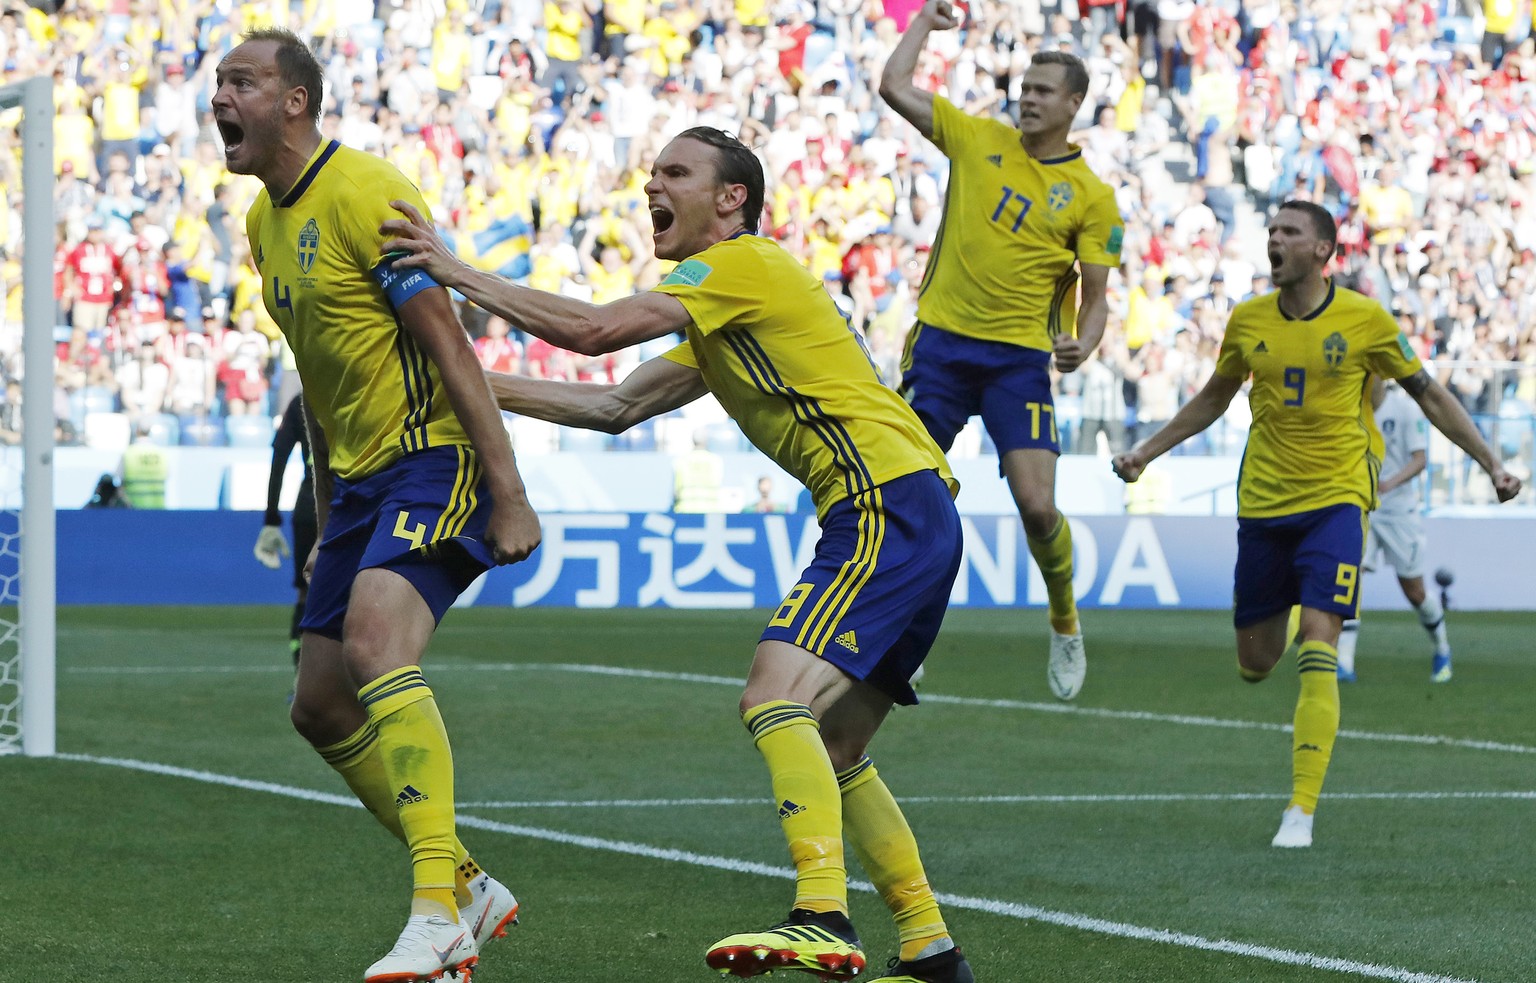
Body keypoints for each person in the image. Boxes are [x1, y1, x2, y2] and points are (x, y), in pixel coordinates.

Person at [382, 125, 975, 983]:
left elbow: (592, 331)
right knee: (837, 743)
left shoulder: (741, 265)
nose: (651, 185)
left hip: (883, 503)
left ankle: (822, 911)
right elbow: (614, 406)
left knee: (774, 694)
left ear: (730, 199)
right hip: (913, 504)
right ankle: (930, 950)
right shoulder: (727, 310)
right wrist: (459, 386)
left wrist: (453, 268)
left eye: (675, 172)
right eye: (651, 171)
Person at [212, 29, 541, 981]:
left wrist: (506, 489)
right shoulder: (265, 225)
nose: (221, 99)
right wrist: (323, 522)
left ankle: (438, 914)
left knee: (376, 648)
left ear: (297, 101)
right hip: (358, 482)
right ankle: (472, 882)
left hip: (433, 458)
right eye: (218, 83)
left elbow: (451, 346)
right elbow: (318, 380)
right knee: (318, 705)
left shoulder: (368, 192)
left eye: (243, 81)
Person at [1111, 200, 1521, 849]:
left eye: (1289, 232)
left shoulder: (1366, 320)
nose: (1273, 239)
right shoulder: (1247, 320)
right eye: (1271, 230)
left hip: (1338, 497)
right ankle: (1301, 606)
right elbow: (1215, 398)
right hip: (1265, 502)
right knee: (1256, 660)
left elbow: (1432, 394)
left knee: (1321, 644)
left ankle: (1299, 809)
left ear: (1323, 251)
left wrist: (1492, 461)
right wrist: (1145, 451)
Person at [880, 4, 1123, 702]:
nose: (1029, 96)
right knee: (910, 491)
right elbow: (894, 87)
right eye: (1026, 85)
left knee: (1038, 507)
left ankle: (1065, 619)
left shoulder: (1092, 198)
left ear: (1074, 104)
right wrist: (924, 23)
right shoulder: (977, 136)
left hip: (1018, 360)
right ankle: (908, 628)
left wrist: (1086, 340)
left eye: (1044, 90)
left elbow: (1098, 295)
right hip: (942, 346)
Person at [1345, 377, 1454, 683]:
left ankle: (1442, 649)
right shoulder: (1352, 407)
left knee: (1415, 591)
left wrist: (1389, 484)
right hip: (1363, 508)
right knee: (1351, 579)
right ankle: (1344, 663)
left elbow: (1420, 460)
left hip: (1398, 512)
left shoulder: (1405, 409)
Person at [254, 391, 317, 673]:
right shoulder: (353, 388)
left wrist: (271, 518)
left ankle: (301, 677)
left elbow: (279, 457)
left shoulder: (301, 401)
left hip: (308, 507)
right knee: (353, 590)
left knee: (306, 592)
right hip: (349, 504)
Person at [672, 426, 725, 512]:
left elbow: (676, 491)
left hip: (685, 510)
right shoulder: (716, 461)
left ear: (692, 440)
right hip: (710, 511)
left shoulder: (681, 461)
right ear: (706, 440)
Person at [119, 421, 169, 509]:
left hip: (135, 509)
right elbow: (167, 475)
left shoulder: (129, 453)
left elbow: (118, 479)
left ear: (137, 431)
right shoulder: (161, 453)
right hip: (158, 509)